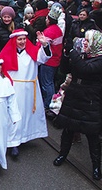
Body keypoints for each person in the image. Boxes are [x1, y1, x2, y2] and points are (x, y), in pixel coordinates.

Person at [53, 29, 102, 180]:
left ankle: (96, 166)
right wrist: (66, 54)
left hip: (90, 99)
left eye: (88, 41)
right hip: (75, 95)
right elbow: (65, 69)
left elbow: (85, 69)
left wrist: (73, 52)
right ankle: (62, 154)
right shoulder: (81, 55)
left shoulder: (99, 59)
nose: (84, 43)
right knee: (68, 128)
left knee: (92, 134)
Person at [0, 29, 51, 158]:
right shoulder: (7, 53)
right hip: (14, 88)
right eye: (19, 39)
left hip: (29, 89)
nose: (22, 42)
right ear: (14, 40)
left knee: (26, 114)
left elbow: (44, 57)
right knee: (14, 115)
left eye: (24, 39)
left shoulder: (32, 52)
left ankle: (23, 137)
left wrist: (44, 45)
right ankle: (13, 143)